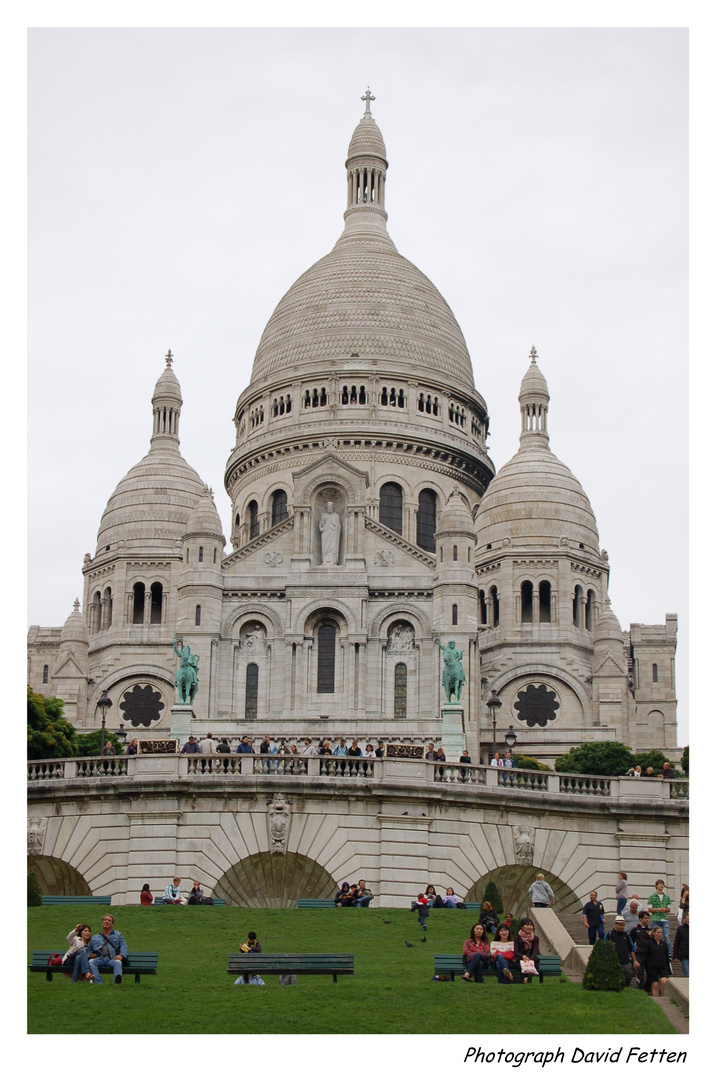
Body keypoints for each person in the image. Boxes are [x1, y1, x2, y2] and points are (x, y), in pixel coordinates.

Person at [86, 913, 128, 984]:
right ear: (102, 923)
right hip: (100, 959)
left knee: (118, 963)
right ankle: (98, 982)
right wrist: (90, 955)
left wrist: (121, 955)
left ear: (112, 925)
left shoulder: (118, 935)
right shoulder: (95, 937)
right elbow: (89, 950)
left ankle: (116, 982)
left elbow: (124, 946)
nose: (106, 921)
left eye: (109, 920)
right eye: (105, 920)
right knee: (91, 962)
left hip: (112, 959)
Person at [606, 916, 636, 986]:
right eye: (620, 925)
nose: (622, 927)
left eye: (623, 925)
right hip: (613, 961)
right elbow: (604, 947)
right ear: (615, 924)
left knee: (628, 976)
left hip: (625, 961)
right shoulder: (610, 934)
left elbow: (632, 948)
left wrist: (634, 960)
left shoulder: (626, 935)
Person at [647, 879, 672, 958]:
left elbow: (669, 909)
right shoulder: (652, 897)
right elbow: (649, 909)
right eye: (660, 884)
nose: (661, 885)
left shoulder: (667, 897)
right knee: (654, 937)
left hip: (664, 919)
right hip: (655, 918)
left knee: (666, 936)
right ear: (656, 886)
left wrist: (664, 910)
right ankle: (654, 952)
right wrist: (658, 909)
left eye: (662, 884)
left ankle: (669, 954)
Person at [644, 925, 671, 997]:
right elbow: (646, 955)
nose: (660, 934)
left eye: (661, 932)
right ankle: (657, 1001)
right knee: (655, 985)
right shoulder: (649, 943)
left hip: (663, 966)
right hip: (652, 967)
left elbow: (666, 956)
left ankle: (664, 998)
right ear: (654, 933)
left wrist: (668, 967)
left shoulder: (664, 944)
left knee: (664, 982)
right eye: (658, 932)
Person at [630, 910, 654, 989]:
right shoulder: (635, 929)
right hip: (640, 954)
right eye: (645, 918)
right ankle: (640, 989)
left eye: (648, 918)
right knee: (640, 973)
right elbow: (631, 942)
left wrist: (652, 936)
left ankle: (647, 989)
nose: (647, 920)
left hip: (649, 954)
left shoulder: (650, 930)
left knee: (651, 973)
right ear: (640, 919)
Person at [514, 917, 541, 983]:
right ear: (522, 927)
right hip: (521, 959)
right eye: (527, 925)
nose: (529, 927)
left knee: (533, 965)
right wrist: (523, 956)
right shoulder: (517, 938)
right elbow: (516, 952)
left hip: (532, 958)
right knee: (522, 965)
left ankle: (525, 980)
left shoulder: (535, 938)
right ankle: (526, 979)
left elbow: (535, 951)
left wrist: (530, 960)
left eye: (531, 925)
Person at [319, 500, 341, 565]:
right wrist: (322, 520)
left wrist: (333, 522)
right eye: (328, 507)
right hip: (325, 533)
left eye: (330, 507)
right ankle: (325, 560)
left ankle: (332, 560)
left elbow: (338, 525)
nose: (329, 508)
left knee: (332, 547)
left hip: (333, 533)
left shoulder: (336, 516)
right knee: (325, 547)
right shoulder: (324, 515)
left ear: (333, 508)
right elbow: (321, 525)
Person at [673, 912, 689, 978]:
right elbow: (677, 942)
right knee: (687, 974)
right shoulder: (681, 929)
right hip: (685, 954)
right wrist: (675, 956)